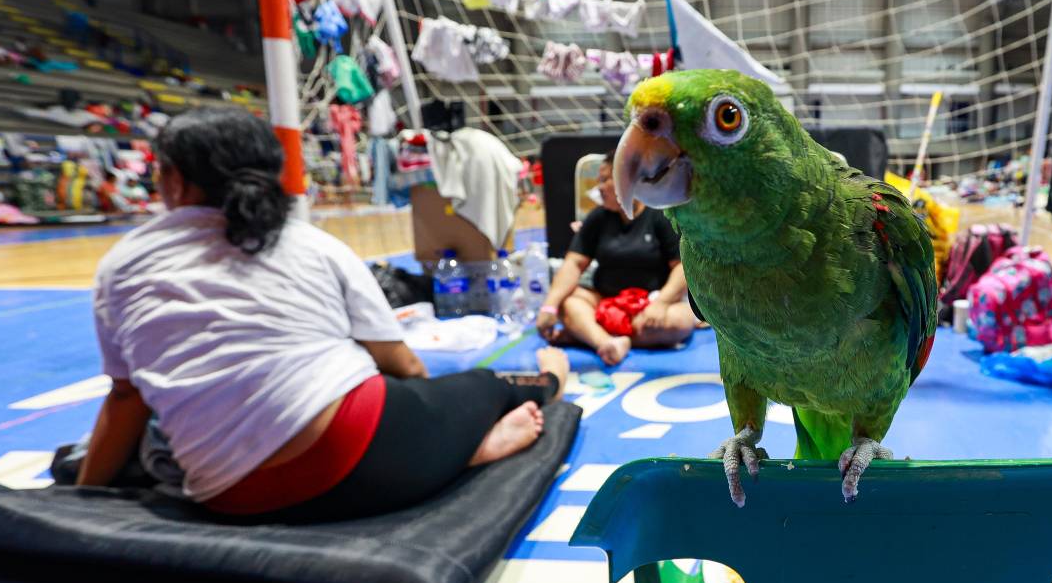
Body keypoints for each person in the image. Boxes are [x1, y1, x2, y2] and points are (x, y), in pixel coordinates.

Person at [77, 107, 568, 523]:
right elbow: (407, 368)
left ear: (174, 180)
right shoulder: (309, 244)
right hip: (354, 456)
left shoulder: (122, 262)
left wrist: (82, 501)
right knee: (479, 387)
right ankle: (540, 389)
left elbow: (126, 399)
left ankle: (446, 451)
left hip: (229, 495)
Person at [536, 149, 699, 366]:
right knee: (568, 303)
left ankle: (586, 335)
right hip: (605, 302)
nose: (599, 188)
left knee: (680, 321)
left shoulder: (660, 215)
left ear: (626, 178)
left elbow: (681, 267)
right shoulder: (598, 217)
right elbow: (573, 264)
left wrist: (662, 303)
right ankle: (607, 343)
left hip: (649, 304)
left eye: (604, 180)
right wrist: (549, 306)